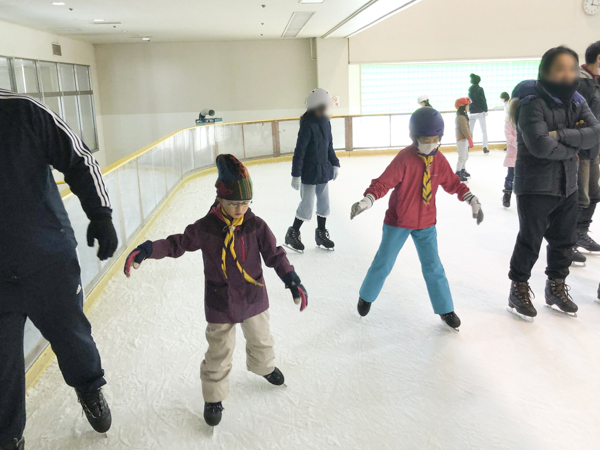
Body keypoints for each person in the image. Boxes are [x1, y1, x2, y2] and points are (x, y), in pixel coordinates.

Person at [124, 154, 308, 428]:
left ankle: (265, 368)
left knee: (261, 339)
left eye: (245, 203)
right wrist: (150, 249)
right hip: (220, 301)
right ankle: (214, 397)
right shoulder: (206, 228)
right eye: (234, 203)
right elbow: (178, 244)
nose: (240, 209)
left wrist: (291, 279)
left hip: (253, 297)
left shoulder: (256, 226)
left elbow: (275, 255)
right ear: (219, 199)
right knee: (218, 351)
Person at [0, 89, 118, 450]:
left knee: (72, 338)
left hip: (47, 260)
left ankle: (89, 387)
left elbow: (79, 159)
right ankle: (8, 437)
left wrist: (100, 213)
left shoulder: (22, 111)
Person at [350, 107, 484, 331]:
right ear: (414, 138)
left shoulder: (438, 160)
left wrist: (471, 199)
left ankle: (445, 309)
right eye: (425, 139)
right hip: (398, 222)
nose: (430, 144)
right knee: (383, 263)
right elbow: (384, 182)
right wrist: (368, 200)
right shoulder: (405, 158)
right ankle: (366, 296)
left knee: (434, 267)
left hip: (426, 224)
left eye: (435, 139)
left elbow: (452, 183)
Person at [507, 47, 600, 319]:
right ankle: (518, 288)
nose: (567, 74)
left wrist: (559, 133)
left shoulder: (576, 99)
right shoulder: (531, 102)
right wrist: (574, 146)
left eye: (571, 68)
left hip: (567, 183)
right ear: (546, 70)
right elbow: (539, 145)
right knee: (530, 239)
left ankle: (555, 287)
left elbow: (595, 132)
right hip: (535, 185)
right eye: (560, 68)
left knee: (564, 240)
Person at [285, 88, 340, 252]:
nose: (325, 109)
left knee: (324, 204)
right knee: (307, 205)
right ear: (316, 105)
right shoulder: (307, 125)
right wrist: (296, 174)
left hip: (323, 170)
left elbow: (329, 146)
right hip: (309, 172)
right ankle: (292, 233)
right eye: (323, 106)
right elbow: (299, 151)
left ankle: (321, 234)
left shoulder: (326, 122)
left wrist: (335, 163)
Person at [575, 41, 600, 256]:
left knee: (594, 193)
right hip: (581, 151)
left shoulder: (595, 82)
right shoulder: (581, 84)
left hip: (594, 149)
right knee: (579, 197)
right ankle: (568, 241)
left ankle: (581, 232)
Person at [501, 92, 517, 208]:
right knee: (510, 176)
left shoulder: (524, 119)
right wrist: (517, 143)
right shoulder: (508, 121)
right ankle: (507, 194)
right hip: (513, 154)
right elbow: (508, 135)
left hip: (524, 155)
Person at [468, 73, 489, 154]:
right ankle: (485, 147)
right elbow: (483, 100)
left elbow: (469, 101)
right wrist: (485, 110)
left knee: (470, 131)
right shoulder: (480, 89)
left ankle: (467, 146)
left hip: (472, 112)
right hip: (480, 112)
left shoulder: (470, 89)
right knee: (483, 130)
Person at [455, 97, 474, 181]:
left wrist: (469, 137)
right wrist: (469, 138)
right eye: (467, 105)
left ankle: (462, 169)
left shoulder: (463, 116)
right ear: (462, 106)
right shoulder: (461, 117)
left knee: (465, 156)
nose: (468, 107)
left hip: (465, 139)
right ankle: (458, 172)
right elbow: (464, 129)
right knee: (462, 157)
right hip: (462, 139)